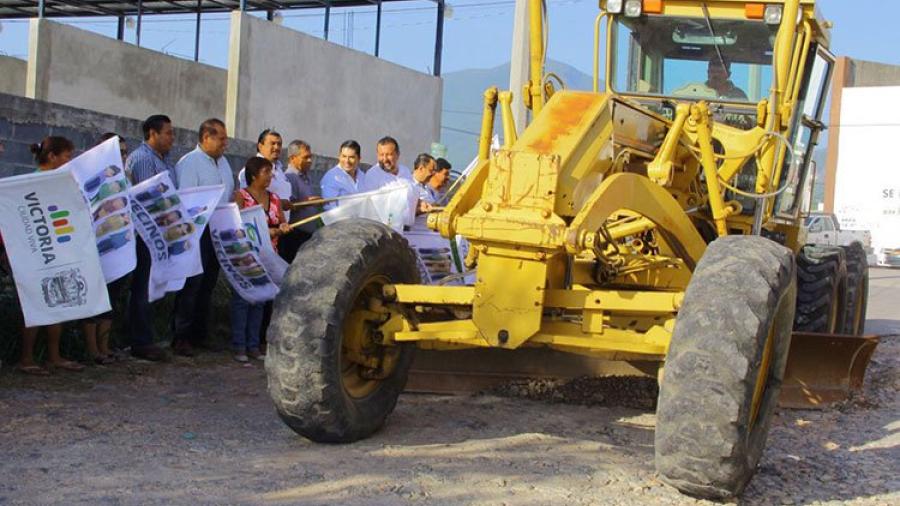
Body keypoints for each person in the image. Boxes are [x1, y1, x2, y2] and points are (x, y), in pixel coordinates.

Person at [18, 136, 84, 375]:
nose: (70, 161)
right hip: (37, 253)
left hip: (58, 250)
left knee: (58, 301)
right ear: (52, 156)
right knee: (35, 303)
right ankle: (26, 357)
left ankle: (54, 356)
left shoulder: (61, 182)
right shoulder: (31, 182)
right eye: (67, 156)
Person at [170, 118, 235, 356]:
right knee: (191, 284)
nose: (225, 144)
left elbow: (228, 193)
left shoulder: (224, 163)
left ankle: (200, 333)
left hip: (218, 229)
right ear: (206, 137)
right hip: (196, 231)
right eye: (221, 138)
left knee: (208, 283)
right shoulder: (190, 163)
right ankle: (181, 336)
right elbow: (188, 199)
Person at [124, 114, 175, 362]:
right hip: (145, 233)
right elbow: (148, 199)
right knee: (142, 287)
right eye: (168, 133)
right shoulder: (143, 159)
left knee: (153, 284)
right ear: (152, 134)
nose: (172, 138)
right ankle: (140, 341)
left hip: (161, 233)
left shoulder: (166, 161)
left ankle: (147, 337)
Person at [232, 157, 290, 363]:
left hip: (268, 256)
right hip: (246, 255)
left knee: (261, 299)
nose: (270, 176)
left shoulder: (274, 199)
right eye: (266, 172)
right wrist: (271, 230)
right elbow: (237, 224)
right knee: (243, 299)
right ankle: (239, 345)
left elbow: (282, 222)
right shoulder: (241, 196)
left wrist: (282, 229)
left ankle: (254, 345)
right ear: (254, 175)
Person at [237, 129, 292, 219]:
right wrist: (278, 203)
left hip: (282, 227)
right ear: (260, 146)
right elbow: (249, 201)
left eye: (279, 144)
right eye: (272, 143)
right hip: (262, 226)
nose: (277, 147)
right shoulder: (251, 170)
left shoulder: (279, 169)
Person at [280, 139, 319, 262]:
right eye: (306, 157)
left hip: (307, 235)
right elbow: (289, 207)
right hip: (295, 235)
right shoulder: (290, 178)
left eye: (310, 157)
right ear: (292, 158)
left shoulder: (306, 176)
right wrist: (309, 202)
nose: (310, 161)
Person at [320, 140, 364, 210]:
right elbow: (330, 210)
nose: (347, 161)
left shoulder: (363, 176)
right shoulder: (331, 178)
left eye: (351, 157)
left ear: (359, 159)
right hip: (341, 220)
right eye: (344, 156)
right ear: (339, 157)